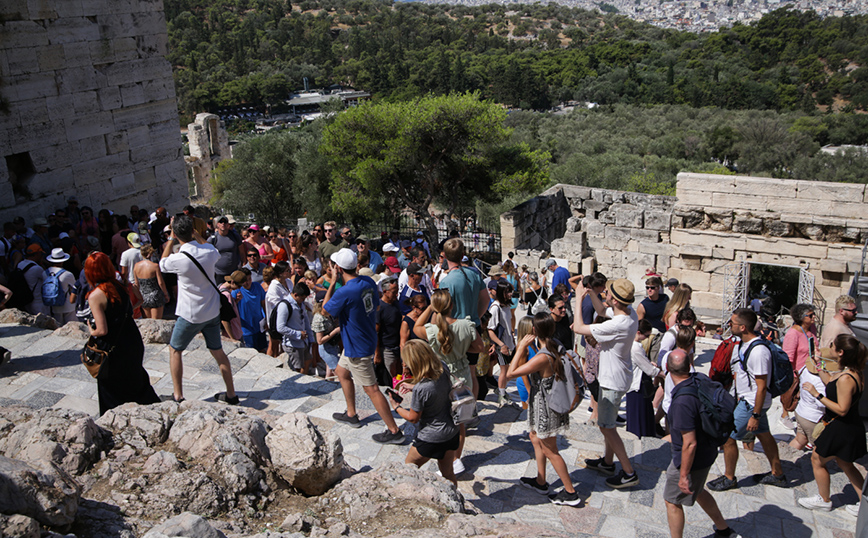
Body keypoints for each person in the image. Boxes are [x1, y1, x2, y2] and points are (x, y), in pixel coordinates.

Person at [324, 248, 404, 444]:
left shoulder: (345, 291)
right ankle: (351, 413)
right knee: (342, 372)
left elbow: (326, 311)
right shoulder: (367, 282)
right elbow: (375, 305)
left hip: (357, 347)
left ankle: (394, 431)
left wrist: (333, 282)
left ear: (338, 268)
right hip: (363, 339)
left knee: (372, 389)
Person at [159, 215, 238, 405]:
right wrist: (197, 236)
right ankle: (231, 395)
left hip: (190, 314)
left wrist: (170, 239)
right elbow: (213, 250)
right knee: (218, 352)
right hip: (212, 312)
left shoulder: (179, 259)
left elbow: (162, 263)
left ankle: (178, 395)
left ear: (176, 234)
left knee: (175, 350)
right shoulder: (209, 251)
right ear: (194, 231)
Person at [707, 308, 786, 491]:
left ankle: (729, 477)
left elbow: (761, 386)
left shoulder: (758, 352)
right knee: (764, 434)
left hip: (752, 403)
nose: (729, 325)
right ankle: (777, 473)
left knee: (727, 437)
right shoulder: (743, 345)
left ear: (743, 327)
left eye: (732, 323)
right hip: (748, 400)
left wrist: (755, 415)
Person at [665, 350, 741, 538]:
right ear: (689, 365)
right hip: (708, 450)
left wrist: (683, 474)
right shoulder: (699, 379)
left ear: (667, 369)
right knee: (697, 490)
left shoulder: (682, 402)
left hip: (692, 459)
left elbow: (689, 443)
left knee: (672, 501)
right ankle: (724, 530)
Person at [507, 313, 581, 506]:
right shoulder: (555, 344)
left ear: (533, 331)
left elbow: (510, 373)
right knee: (534, 437)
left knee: (551, 450)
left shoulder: (543, 357)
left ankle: (571, 493)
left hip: (547, 407)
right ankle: (541, 482)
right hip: (542, 403)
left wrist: (521, 347)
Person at [574, 277, 640, 489]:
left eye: (608, 293)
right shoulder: (630, 315)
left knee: (607, 427)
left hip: (612, 381)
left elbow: (578, 327)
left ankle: (629, 472)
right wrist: (591, 292)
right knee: (608, 424)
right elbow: (602, 311)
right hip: (618, 376)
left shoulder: (617, 325)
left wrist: (577, 298)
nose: (606, 294)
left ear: (616, 300)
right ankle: (608, 462)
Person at [414, 289, 481, 475]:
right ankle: (456, 459)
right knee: (460, 421)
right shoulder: (466, 325)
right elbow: (480, 347)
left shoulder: (432, 330)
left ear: (436, 307)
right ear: (452, 306)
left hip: (441, 376)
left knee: (441, 418)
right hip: (462, 376)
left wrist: (430, 308)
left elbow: (415, 327)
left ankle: (446, 459)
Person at [798, 334, 867, 514]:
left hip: (841, 427)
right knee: (846, 464)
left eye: (833, 345)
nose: (830, 347)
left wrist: (817, 395)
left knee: (817, 459)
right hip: (849, 426)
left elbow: (842, 409)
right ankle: (864, 503)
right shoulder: (852, 372)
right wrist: (819, 364)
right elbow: (830, 382)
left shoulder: (846, 378)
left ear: (841, 352)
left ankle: (824, 499)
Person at [84, 252, 159, 415]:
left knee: (110, 388)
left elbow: (102, 330)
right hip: (131, 339)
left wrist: (91, 329)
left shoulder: (96, 295)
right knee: (136, 379)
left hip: (113, 347)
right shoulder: (120, 286)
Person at [386, 340, 459, 486]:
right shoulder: (442, 367)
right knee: (448, 473)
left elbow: (413, 418)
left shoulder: (422, 388)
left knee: (409, 466)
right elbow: (436, 390)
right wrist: (413, 386)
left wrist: (396, 407)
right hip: (451, 432)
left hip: (431, 437)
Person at [439, 238, 488, 403]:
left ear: (444, 255)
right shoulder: (474, 274)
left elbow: (442, 309)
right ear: (462, 255)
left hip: (456, 330)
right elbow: (485, 299)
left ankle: (460, 410)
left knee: (455, 373)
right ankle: (471, 408)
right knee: (472, 373)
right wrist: (476, 317)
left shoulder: (446, 281)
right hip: (473, 327)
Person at [780, 303, 817, 429]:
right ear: (801, 317)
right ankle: (785, 414)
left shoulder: (812, 329)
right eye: (810, 316)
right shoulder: (793, 333)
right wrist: (791, 374)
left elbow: (816, 346)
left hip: (811, 369)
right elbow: (788, 356)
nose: (813, 318)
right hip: (797, 371)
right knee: (791, 395)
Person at [789, 346, 829, 451]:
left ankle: (786, 461)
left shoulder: (805, 370)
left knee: (799, 439)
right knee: (819, 447)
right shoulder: (820, 381)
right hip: (813, 418)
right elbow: (821, 404)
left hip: (801, 411)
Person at [627, 319, 661, 439]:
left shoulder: (630, 342)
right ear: (638, 332)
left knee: (640, 416)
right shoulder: (635, 347)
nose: (646, 338)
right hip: (638, 386)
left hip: (635, 384)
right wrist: (663, 373)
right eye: (646, 335)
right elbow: (649, 370)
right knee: (639, 419)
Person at [488, 280, 517, 407]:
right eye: (507, 292)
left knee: (511, 369)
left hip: (509, 343)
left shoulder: (505, 306)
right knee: (504, 370)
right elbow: (490, 330)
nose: (511, 294)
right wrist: (501, 345)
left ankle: (502, 389)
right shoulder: (495, 308)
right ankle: (501, 394)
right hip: (502, 346)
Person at [275, 281, 314, 373]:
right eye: (302, 298)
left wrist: (311, 339)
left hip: (304, 342)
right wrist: (298, 334)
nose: (303, 301)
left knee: (307, 362)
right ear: (295, 295)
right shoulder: (284, 305)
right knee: (297, 369)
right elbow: (280, 327)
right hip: (292, 344)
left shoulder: (300, 304)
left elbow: (306, 321)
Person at [229, 269, 267, 351]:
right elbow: (231, 308)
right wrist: (236, 301)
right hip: (246, 330)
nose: (248, 282)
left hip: (259, 327)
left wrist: (267, 320)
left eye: (249, 279)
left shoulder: (257, 286)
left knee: (262, 350)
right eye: (245, 280)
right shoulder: (236, 291)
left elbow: (264, 304)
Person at [132, 244, 168, 320]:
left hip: (144, 296)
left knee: (148, 322)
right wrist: (166, 294)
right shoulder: (154, 266)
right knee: (157, 322)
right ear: (151, 253)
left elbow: (136, 283)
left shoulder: (136, 266)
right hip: (155, 295)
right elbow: (160, 283)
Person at [376, 279, 403, 378]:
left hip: (398, 347)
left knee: (400, 375)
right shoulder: (379, 308)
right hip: (387, 349)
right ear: (384, 292)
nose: (396, 295)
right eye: (393, 292)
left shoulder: (396, 303)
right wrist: (377, 353)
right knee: (391, 377)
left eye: (397, 292)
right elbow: (376, 332)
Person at [43, 248, 76, 325]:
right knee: (71, 326)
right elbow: (74, 288)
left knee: (58, 326)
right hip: (68, 305)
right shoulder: (67, 274)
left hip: (54, 305)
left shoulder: (45, 273)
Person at [209, 215, 243, 283]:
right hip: (218, 273)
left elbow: (241, 251)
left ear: (228, 224)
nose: (223, 224)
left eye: (225, 222)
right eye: (221, 222)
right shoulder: (213, 238)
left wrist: (243, 263)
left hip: (234, 272)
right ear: (217, 224)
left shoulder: (235, 236)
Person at [312, 300, 341, 380]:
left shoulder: (328, 314)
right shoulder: (319, 318)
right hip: (326, 349)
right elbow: (320, 341)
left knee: (330, 374)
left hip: (333, 346)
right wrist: (335, 331)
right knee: (339, 373)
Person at [18, 244, 46, 315]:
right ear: (37, 254)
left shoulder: (20, 264)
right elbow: (47, 279)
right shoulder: (37, 268)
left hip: (26, 301)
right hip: (38, 303)